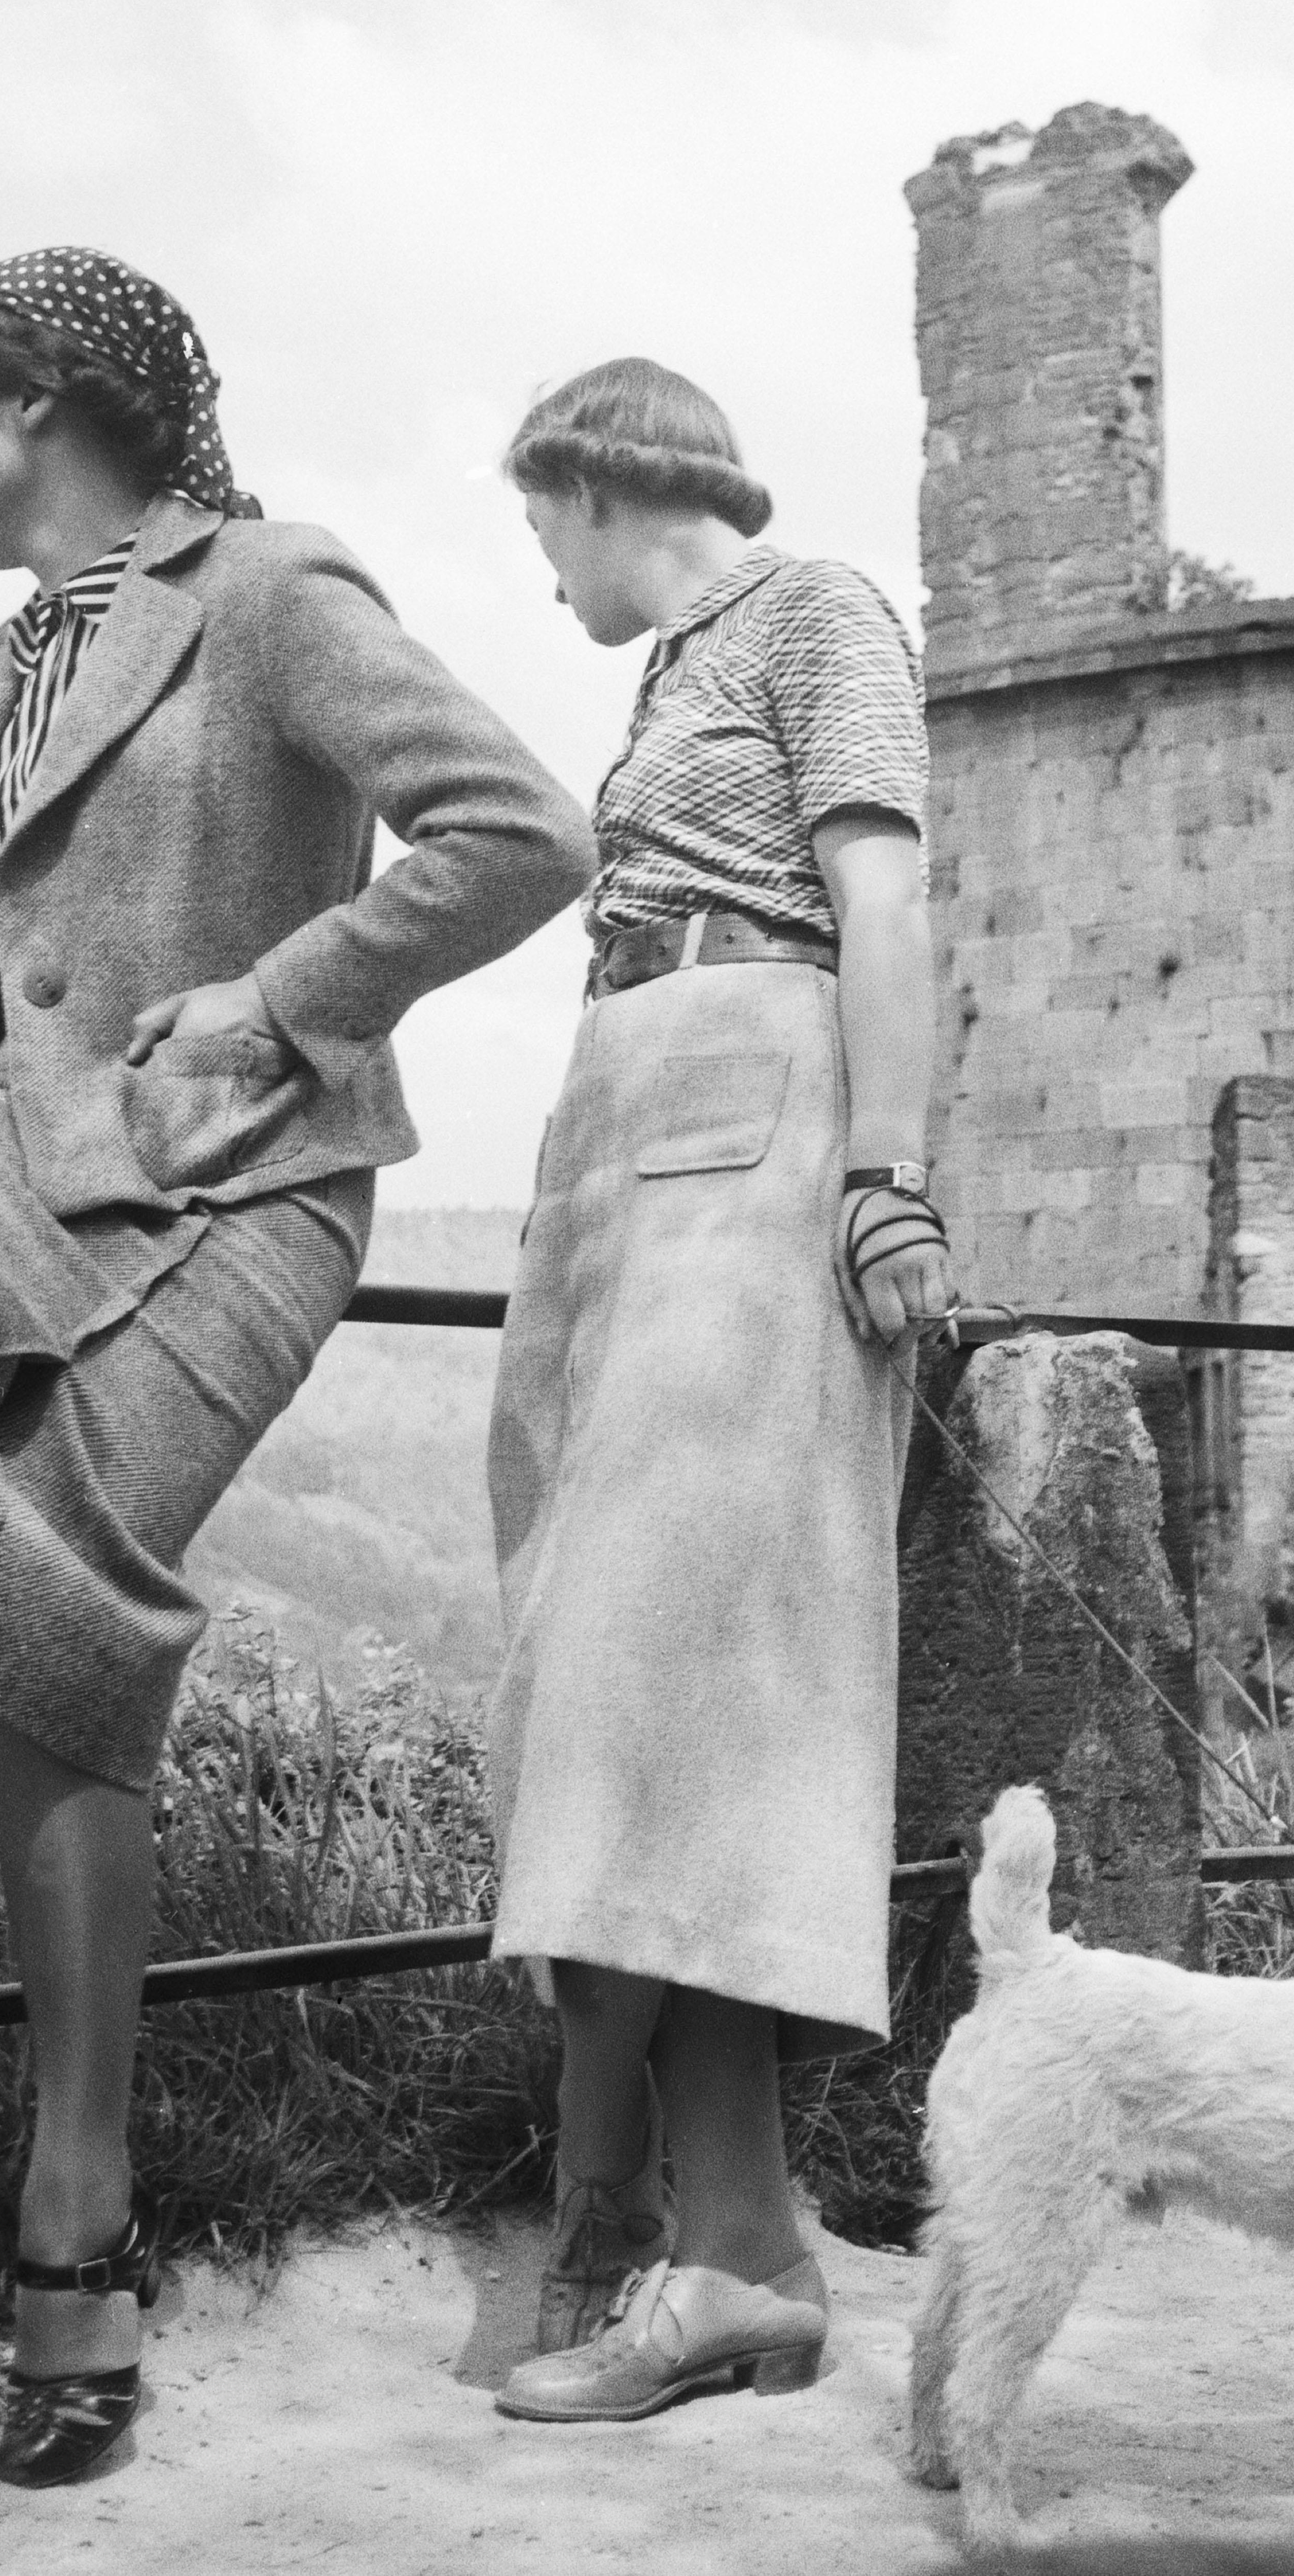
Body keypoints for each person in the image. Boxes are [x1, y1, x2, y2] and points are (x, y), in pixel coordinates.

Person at [0, 247, 594, 2487]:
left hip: (237, 1194)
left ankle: (73, 2228)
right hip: (19, 1175)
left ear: (55, 407)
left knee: (63, 1619)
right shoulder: (6, 659)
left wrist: (281, 1007)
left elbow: (523, 836)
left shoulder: (271, 593)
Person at [481, 358, 956, 2422]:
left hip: (747, 1139)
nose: (539, 566)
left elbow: (887, 900)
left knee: (667, 1706)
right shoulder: (675, 669)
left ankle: (740, 2253)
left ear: (597, 483)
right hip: (626, 1146)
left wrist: (885, 1178)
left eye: (537, 523)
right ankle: (621, 2223)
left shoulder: (815, 608)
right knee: (592, 1706)